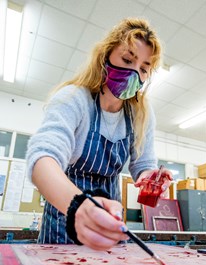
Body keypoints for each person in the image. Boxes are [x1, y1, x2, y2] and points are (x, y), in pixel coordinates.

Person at [26, 17, 172, 251]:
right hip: (64, 220)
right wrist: (78, 206)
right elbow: (42, 159)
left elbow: (143, 164)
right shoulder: (74, 99)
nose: (134, 72)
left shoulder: (140, 113)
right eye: (127, 59)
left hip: (110, 221)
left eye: (144, 69)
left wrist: (149, 179)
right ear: (105, 56)